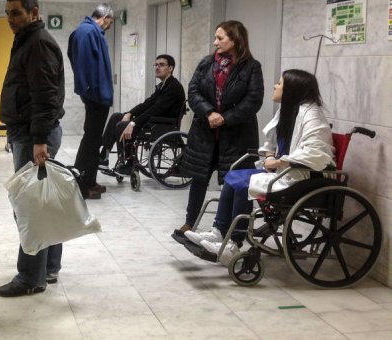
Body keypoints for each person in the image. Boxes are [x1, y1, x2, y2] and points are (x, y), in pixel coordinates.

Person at [184, 69, 335, 262]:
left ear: (292, 90)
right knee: (233, 177)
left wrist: (280, 161)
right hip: (283, 172)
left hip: (302, 178)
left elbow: (316, 153)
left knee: (244, 183)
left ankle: (234, 243)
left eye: (279, 84)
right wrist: (270, 155)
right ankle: (219, 232)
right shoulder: (287, 110)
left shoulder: (312, 115)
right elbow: (271, 143)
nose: (275, 86)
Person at [0, 0, 65, 297]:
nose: (10, 19)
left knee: (29, 208)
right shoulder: (27, 40)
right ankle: (47, 267)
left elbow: (46, 96)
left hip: (34, 134)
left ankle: (29, 278)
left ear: (34, 13)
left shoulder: (38, 43)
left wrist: (38, 140)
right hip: (27, 132)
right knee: (41, 203)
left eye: (16, 13)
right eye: (8, 13)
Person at [173, 20, 264, 238]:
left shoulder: (252, 67)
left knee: (237, 184)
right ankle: (190, 222)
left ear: (235, 39)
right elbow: (193, 92)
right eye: (215, 37)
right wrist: (209, 113)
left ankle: (232, 231)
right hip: (205, 134)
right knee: (199, 180)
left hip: (236, 136)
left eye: (220, 38)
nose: (215, 43)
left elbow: (253, 100)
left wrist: (224, 118)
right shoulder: (206, 63)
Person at [98, 54, 186, 177]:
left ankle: (127, 163)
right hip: (154, 121)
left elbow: (156, 109)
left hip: (162, 124)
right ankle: (104, 156)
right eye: (156, 65)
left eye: (161, 65)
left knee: (122, 125)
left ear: (170, 68)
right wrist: (130, 113)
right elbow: (147, 104)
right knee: (116, 117)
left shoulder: (174, 87)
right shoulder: (163, 85)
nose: (157, 67)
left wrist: (134, 123)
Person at [68, 3, 114, 199]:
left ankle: (91, 181)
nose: (108, 27)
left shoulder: (89, 31)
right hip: (95, 96)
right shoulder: (87, 32)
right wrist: (91, 92)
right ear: (104, 18)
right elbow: (86, 66)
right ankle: (81, 184)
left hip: (96, 94)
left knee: (94, 139)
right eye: (109, 23)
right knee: (90, 139)